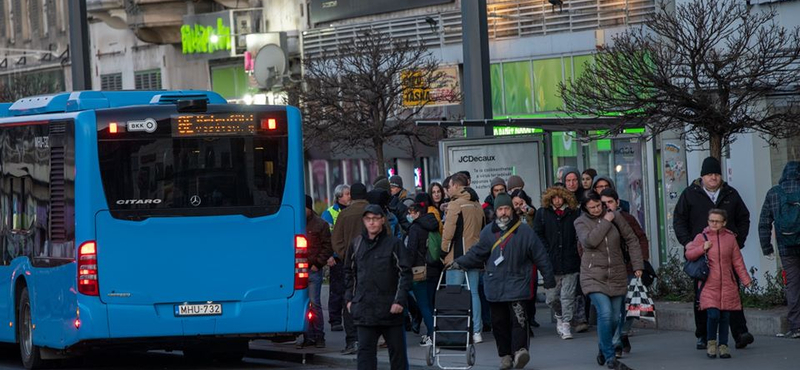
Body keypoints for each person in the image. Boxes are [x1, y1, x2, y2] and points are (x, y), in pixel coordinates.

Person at [450, 193, 556, 370]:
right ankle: (505, 355)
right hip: (495, 285)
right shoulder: (487, 232)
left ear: (512, 209)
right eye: (500, 209)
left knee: (519, 320)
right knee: (499, 324)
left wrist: (549, 279)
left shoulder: (525, 231)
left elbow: (540, 255)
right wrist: (458, 263)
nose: (504, 212)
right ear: (495, 211)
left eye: (506, 208)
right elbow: (477, 253)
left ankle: (520, 351)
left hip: (518, 283)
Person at [673, 156, 754, 350]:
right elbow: (679, 220)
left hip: (726, 253)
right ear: (702, 176)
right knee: (702, 296)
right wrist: (688, 244)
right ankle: (703, 335)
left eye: (717, 174)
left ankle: (740, 332)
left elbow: (744, 218)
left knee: (731, 293)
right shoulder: (690, 194)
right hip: (702, 254)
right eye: (710, 174)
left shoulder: (730, 194)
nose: (714, 178)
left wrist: (737, 241)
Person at [574, 192, 644, 369]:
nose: (597, 209)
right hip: (593, 275)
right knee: (604, 313)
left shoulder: (617, 216)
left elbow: (632, 240)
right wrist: (606, 220)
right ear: (585, 208)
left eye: (599, 205)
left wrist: (638, 265)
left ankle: (602, 348)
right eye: (593, 207)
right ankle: (610, 356)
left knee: (614, 318)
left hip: (617, 273)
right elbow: (590, 241)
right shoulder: (580, 222)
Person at [345, 204, 412, 370]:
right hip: (365, 310)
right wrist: (349, 300)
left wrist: (399, 301)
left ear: (382, 220)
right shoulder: (356, 244)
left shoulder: (394, 244)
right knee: (365, 356)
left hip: (391, 309)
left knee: (398, 357)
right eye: (368, 219)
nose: (372, 223)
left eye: (375, 219)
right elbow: (348, 273)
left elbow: (405, 273)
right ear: (364, 221)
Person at [685, 209, 752, 359]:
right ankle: (711, 343)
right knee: (713, 314)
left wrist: (746, 280)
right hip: (708, 284)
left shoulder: (730, 238)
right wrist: (702, 248)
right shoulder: (701, 237)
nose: (714, 224)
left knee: (725, 317)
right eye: (711, 221)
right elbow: (688, 254)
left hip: (727, 283)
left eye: (717, 221)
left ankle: (723, 345)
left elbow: (737, 261)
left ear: (724, 223)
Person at [600, 188, 650, 355]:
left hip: (628, 268)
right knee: (614, 312)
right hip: (606, 271)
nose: (607, 206)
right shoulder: (597, 221)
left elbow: (639, 239)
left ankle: (622, 333)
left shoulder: (627, 218)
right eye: (603, 203)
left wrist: (640, 263)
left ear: (617, 202)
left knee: (632, 308)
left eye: (610, 202)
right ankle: (615, 342)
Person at [441, 173, 486, 343]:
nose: (448, 189)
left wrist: (443, 252)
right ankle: (477, 331)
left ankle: (458, 331)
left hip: (457, 257)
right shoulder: (477, 205)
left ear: (457, 186)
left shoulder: (455, 205)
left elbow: (448, 232)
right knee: (473, 293)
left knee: (454, 294)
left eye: (450, 186)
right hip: (473, 256)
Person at [758, 161, 800, 338]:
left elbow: (764, 223)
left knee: (792, 285)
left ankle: (796, 326)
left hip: (786, 247)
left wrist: (766, 248)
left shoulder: (774, 193)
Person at [535, 185, 581, 340]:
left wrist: (576, 250)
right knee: (552, 298)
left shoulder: (574, 213)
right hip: (551, 263)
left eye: (560, 197)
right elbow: (538, 234)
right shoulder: (542, 214)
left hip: (570, 260)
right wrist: (547, 251)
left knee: (567, 296)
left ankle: (566, 324)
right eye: (554, 197)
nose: (557, 200)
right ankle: (560, 315)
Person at [331, 182, 369, 355]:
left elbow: (336, 239)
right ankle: (367, 339)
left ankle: (351, 340)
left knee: (350, 299)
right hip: (372, 264)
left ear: (352, 196)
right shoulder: (374, 212)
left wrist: (345, 255)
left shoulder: (344, 214)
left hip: (351, 264)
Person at [298, 195, 334, 348]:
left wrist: (317, 264)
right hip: (300, 270)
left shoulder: (320, 224)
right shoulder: (297, 222)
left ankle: (319, 336)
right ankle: (308, 336)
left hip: (312, 270)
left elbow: (327, 246)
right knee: (304, 304)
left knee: (315, 304)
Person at [406, 197, 439, 346]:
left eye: (411, 213)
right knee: (431, 303)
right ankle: (432, 333)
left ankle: (432, 334)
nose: (410, 215)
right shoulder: (433, 224)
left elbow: (411, 251)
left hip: (419, 271)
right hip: (434, 268)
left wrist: (406, 267)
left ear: (418, 213)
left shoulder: (415, 228)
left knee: (424, 305)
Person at [321, 184, 350, 332]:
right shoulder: (330, 213)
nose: (349, 196)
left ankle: (348, 318)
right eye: (346, 194)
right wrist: (330, 256)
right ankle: (335, 320)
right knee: (336, 291)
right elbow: (326, 237)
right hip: (336, 258)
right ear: (339, 197)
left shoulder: (351, 211)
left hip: (348, 256)